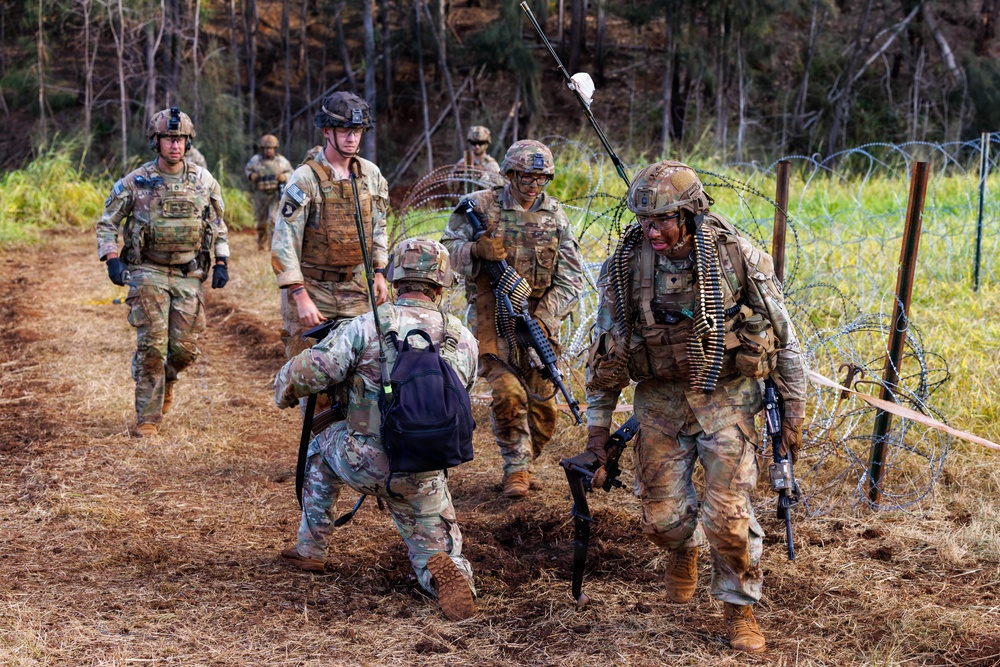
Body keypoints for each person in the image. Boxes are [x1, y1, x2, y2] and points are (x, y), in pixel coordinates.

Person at [583, 160, 807, 653]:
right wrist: (598, 429)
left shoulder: (737, 256)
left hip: (727, 397)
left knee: (727, 516)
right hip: (660, 402)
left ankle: (739, 608)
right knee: (662, 520)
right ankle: (681, 549)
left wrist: (793, 407)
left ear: (689, 213)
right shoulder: (625, 263)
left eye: (662, 219)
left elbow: (786, 339)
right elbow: (607, 351)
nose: (652, 230)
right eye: (644, 220)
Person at [274, 238, 479, 622]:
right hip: (423, 467)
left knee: (321, 444)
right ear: (440, 284)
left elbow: (310, 372)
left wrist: (283, 392)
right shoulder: (462, 338)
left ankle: (311, 549)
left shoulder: (365, 325)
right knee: (436, 547)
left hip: (361, 459)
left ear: (396, 279)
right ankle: (448, 573)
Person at [442, 139, 584, 498]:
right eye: (525, 177)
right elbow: (445, 252)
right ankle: (516, 469)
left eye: (541, 179)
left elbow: (571, 278)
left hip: (537, 319)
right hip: (492, 317)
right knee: (508, 394)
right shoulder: (480, 206)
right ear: (509, 174)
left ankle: (526, 459)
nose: (533, 185)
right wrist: (475, 249)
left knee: (544, 404)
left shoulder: (555, 216)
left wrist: (544, 318)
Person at [96, 107, 229, 438]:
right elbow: (107, 222)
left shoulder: (202, 180)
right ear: (156, 142)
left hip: (188, 273)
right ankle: (148, 417)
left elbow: (218, 223)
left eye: (181, 139)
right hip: (147, 271)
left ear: (188, 142)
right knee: (152, 346)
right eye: (169, 138)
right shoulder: (137, 182)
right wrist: (112, 257)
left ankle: (167, 378)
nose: (175, 145)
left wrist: (222, 261)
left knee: (184, 350)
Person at [271, 92, 390, 360]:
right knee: (316, 380)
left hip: (358, 289)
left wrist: (380, 271)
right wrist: (300, 297)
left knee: (365, 374)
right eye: (344, 130)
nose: (352, 138)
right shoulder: (305, 179)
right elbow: (284, 241)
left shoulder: (371, 175)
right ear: (327, 131)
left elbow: (379, 228)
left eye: (357, 131)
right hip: (314, 290)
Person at [244, 134, 294, 251]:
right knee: (261, 222)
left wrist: (284, 176)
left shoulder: (281, 161)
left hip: (275, 194)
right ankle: (262, 244)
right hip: (260, 195)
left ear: (275, 148)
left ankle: (274, 246)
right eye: (266, 148)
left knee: (273, 220)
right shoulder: (256, 160)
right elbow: (247, 169)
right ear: (262, 149)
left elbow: (292, 172)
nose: (268, 151)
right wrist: (251, 175)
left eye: (271, 148)